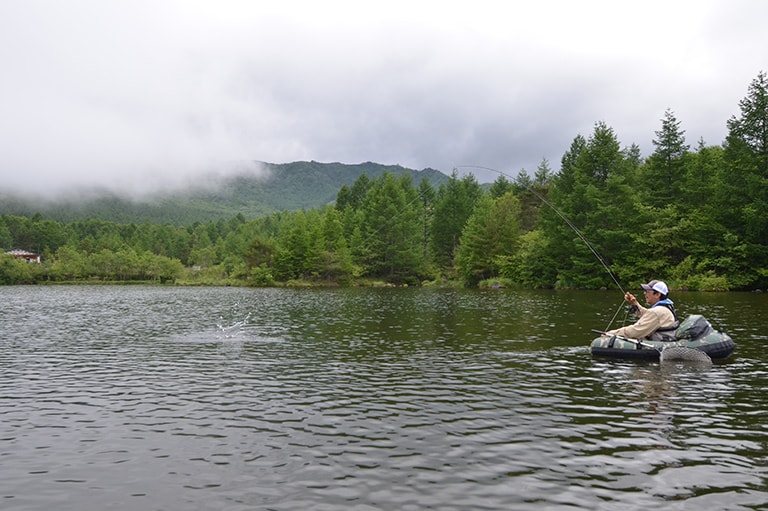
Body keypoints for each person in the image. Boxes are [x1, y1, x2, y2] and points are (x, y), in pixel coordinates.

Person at [604, 280, 679, 341]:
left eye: (647, 291)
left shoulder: (657, 311)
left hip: (658, 344)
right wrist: (634, 303)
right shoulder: (667, 306)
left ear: (657, 294)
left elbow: (636, 330)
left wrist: (611, 333)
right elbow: (649, 315)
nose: (644, 293)